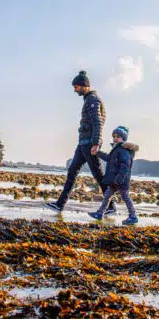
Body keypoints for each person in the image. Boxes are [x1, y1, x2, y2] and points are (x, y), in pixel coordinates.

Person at [44, 70, 115, 214]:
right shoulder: (88, 100)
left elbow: (98, 122)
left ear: (84, 85)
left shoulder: (93, 100)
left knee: (98, 175)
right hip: (83, 143)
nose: (75, 90)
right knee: (72, 171)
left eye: (76, 87)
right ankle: (60, 204)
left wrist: (96, 143)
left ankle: (111, 206)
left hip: (89, 143)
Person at [88, 126, 139, 225]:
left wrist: (119, 179)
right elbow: (108, 158)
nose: (115, 138)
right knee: (107, 196)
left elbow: (125, 165)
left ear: (123, 138)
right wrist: (98, 153)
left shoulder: (123, 150)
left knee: (125, 197)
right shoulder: (116, 149)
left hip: (120, 180)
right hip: (114, 180)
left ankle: (133, 216)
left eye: (118, 136)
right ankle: (99, 213)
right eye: (114, 136)